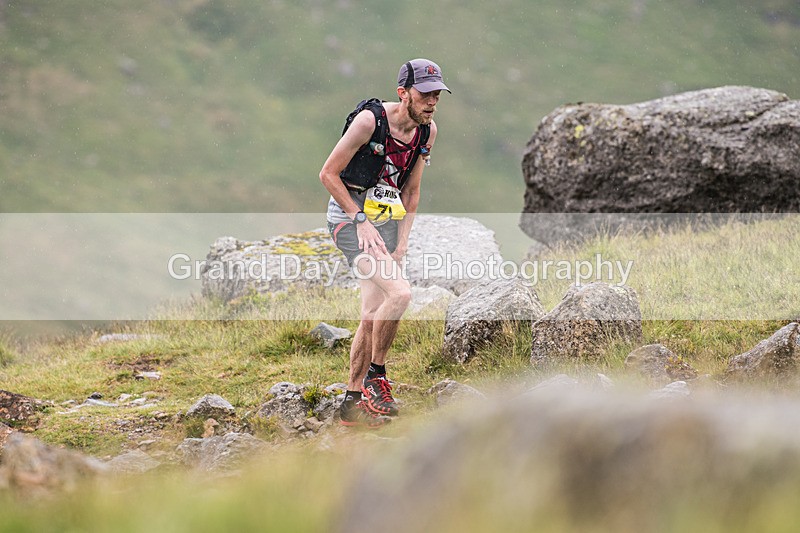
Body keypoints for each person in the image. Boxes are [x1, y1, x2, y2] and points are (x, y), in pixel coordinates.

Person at [319, 58, 450, 428]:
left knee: (371, 313)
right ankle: (377, 376)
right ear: (403, 92)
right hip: (349, 221)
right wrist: (359, 220)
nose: (431, 102)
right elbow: (327, 174)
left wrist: (402, 242)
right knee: (400, 294)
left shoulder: (427, 132)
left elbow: (412, 190)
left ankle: (351, 402)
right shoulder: (369, 122)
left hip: (387, 223)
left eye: (437, 95)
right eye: (425, 95)